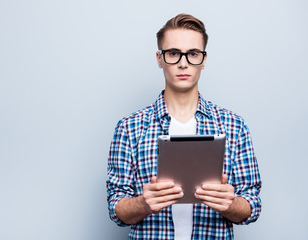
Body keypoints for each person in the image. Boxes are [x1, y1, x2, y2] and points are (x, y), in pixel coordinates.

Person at [106, 13, 261, 240]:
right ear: (159, 59)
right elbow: (115, 206)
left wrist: (231, 203)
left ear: (204, 60)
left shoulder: (234, 126)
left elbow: (253, 204)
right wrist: (142, 203)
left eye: (193, 54)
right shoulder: (129, 128)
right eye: (173, 53)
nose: (183, 62)